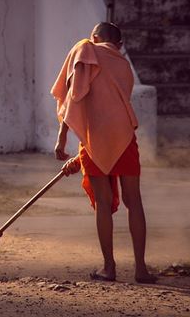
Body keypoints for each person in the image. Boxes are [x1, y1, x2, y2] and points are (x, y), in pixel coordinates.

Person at [51, 22, 157, 284]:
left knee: (103, 202)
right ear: (118, 45)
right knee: (135, 201)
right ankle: (141, 269)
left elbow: (75, 96)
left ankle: (109, 268)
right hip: (123, 136)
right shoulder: (123, 65)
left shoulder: (85, 49)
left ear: (95, 37)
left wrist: (62, 137)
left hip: (95, 137)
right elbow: (112, 104)